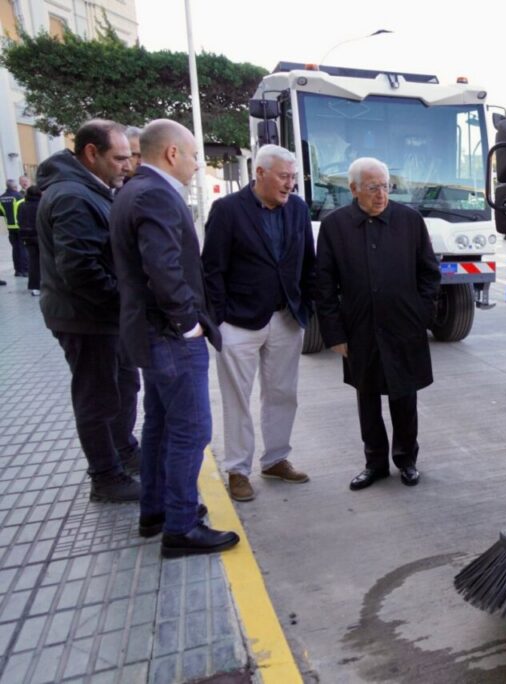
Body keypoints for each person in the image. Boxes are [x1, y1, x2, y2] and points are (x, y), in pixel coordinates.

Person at [111, 119, 239, 557]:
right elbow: (163, 268)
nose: (196, 163)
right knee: (191, 429)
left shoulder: (134, 190)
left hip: (150, 334)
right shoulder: (155, 194)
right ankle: (181, 527)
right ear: (171, 154)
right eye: (193, 155)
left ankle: (156, 512)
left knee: (161, 425)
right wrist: (189, 323)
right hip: (170, 336)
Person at [316, 157, 441, 491]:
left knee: (405, 397)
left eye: (386, 186)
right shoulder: (335, 226)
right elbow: (324, 285)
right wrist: (335, 334)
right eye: (372, 188)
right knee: (367, 397)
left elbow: (429, 273)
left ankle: (407, 461)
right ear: (353, 188)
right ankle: (374, 463)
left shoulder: (410, 221)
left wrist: (421, 314)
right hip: (359, 329)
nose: (381, 194)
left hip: (404, 326)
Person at [202, 144, 315, 502]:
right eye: (284, 176)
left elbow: (307, 262)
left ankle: (276, 459)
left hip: (285, 317)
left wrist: (306, 308)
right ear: (260, 173)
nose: (290, 184)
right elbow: (212, 269)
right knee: (237, 398)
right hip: (238, 321)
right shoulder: (227, 210)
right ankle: (238, 469)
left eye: (293, 177)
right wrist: (218, 321)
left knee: (283, 393)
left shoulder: (297, 208)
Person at [35, 120, 140, 502]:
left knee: (124, 384)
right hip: (86, 319)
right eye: (119, 158)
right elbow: (80, 269)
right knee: (98, 396)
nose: (126, 166)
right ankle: (106, 476)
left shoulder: (93, 189)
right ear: (91, 154)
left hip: (104, 316)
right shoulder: (72, 197)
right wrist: (125, 301)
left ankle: (124, 451)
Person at [16, 185, 42, 295]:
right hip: (40, 236)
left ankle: (35, 287)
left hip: (26, 236)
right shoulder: (41, 204)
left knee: (33, 261)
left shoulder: (22, 205)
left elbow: (19, 218)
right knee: (45, 260)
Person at [1, 178, 28, 277]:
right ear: (15, 187)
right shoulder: (19, 196)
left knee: (15, 249)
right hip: (20, 226)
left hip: (10, 227)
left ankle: (18, 270)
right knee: (23, 248)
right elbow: (25, 210)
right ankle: (25, 270)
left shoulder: (1, 198)